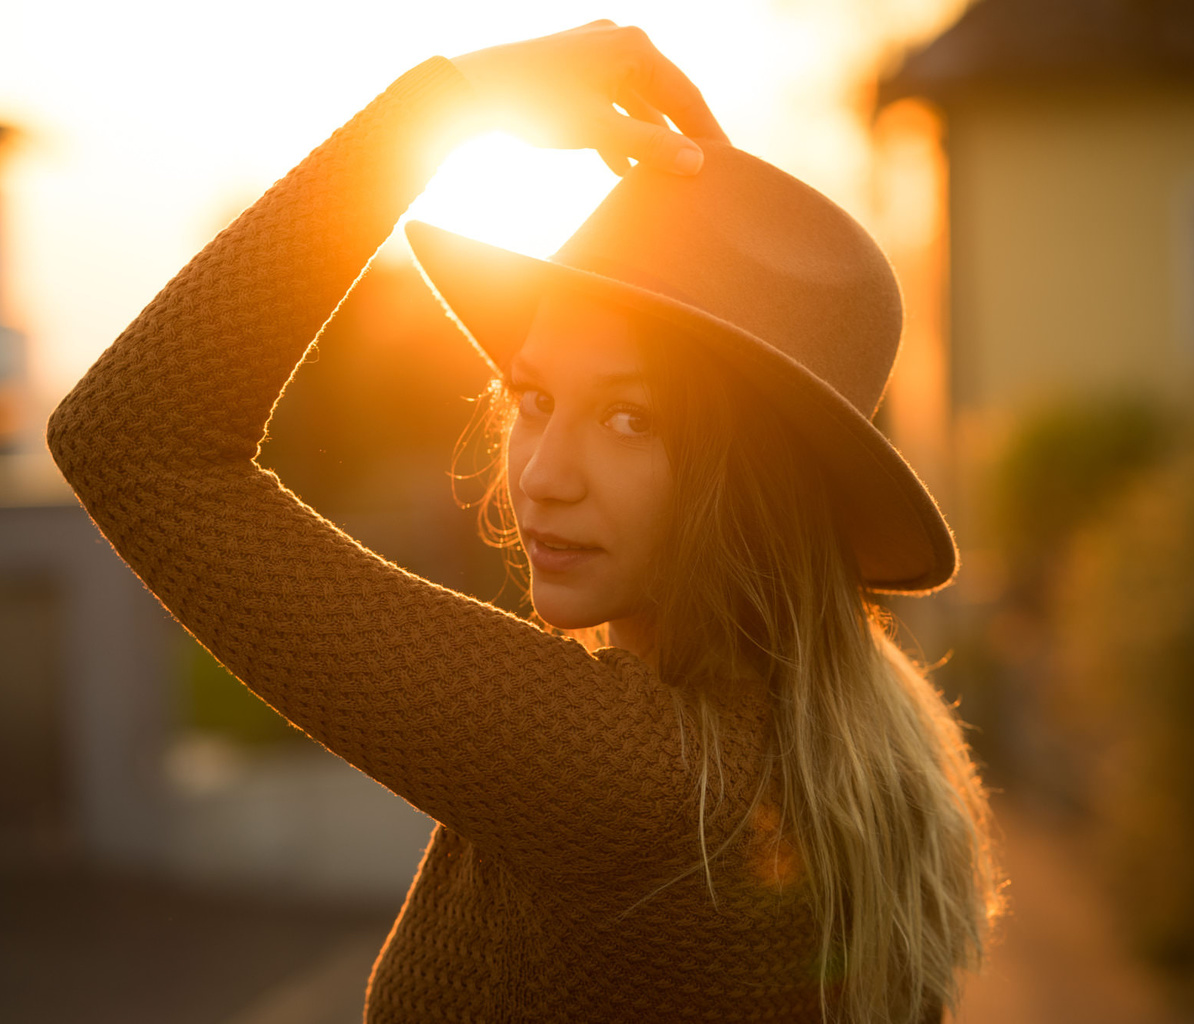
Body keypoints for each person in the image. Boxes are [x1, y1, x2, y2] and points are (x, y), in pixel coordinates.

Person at [47, 20, 1004, 1024]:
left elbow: (134, 442)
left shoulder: (638, 781)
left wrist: (445, 106)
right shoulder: (873, 748)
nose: (542, 473)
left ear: (758, 482)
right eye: (532, 396)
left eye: (629, 418)